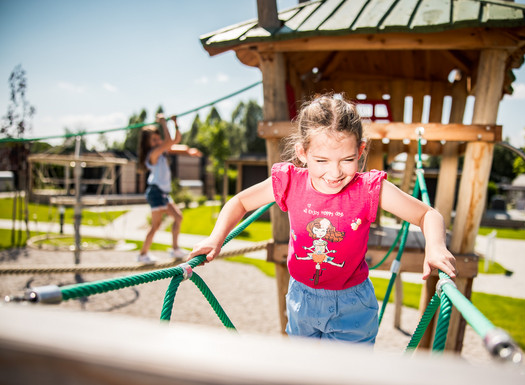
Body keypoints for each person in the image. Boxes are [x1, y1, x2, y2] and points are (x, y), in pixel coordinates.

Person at [187, 94, 456, 344]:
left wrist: (435, 247)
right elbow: (240, 201)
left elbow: (428, 214)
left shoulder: (369, 189)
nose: (335, 172)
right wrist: (216, 237)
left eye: (347, 159)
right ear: (302, 153)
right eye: (322, 160)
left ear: (361, 151)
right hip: (301, 299)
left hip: (352, 304)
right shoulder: (290, 181)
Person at [137, 114, 202, 263]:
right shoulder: (153, 154)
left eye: (157, 138)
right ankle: (142, 254)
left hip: (163, 193)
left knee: (178, 217)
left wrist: (175, 123)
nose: (157, 141)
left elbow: (176, 142)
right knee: (156, 225)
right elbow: (171, 141)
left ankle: (175, 249)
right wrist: (164, 123)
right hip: (156, 192)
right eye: (153, 139)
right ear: (147, 143)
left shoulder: (162, 152)